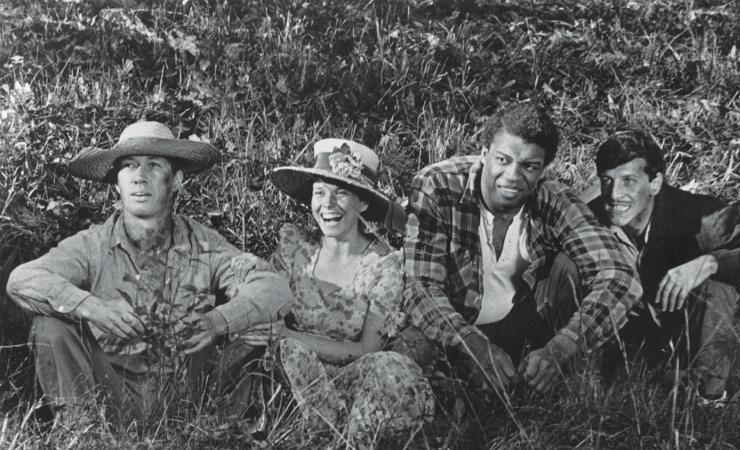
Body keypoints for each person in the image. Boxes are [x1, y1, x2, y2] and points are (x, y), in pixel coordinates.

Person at [5, 121, 291, 422]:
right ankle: (85, 434)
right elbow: (21, 280)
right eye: (129, 166)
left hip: (189, 395)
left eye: (153, 165)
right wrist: (92, 307)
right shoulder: (91, 245)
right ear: (117, 181)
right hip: (108, 394)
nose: (139, 178)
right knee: (50, 327)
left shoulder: (206, 244)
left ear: (176, 179)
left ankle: (220, 428)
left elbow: (274, 288)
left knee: (255, 324)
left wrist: (217, 321)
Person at [396, 102, 643, 395]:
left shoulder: (552, 198)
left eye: (529, 166)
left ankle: (559, 385)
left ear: (542, 170)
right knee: (409, 352)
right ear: (485, 153)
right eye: (503, 159)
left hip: (525, 330)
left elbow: (620, 276)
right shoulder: (437, 185)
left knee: (570, 267)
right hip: (456, 329)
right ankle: (461, 391)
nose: (513, 175)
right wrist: (471, 344)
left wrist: (563, 347)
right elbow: (421, 287)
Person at [236, 139, 433, 447]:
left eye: (341, 193)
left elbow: (370, 349)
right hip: (289, 383)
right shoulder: (294, 250)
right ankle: (309, 434)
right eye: (320, 192)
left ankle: (350, 437)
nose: (327, 205)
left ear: (363, 203)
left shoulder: (383, 265)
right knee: (289, 353)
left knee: (393, 366)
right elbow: (266, 310)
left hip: (350, 383)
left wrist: (288, 335)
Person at [587, 130, 740, 401]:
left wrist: (710, 263)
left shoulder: (702, 217)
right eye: (607, 180)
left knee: (716, 281)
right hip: (641, 349)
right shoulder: (592, 215)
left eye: (629, 181)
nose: (615, 194)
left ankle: (709, 402)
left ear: (655, 183)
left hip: (709, 344)